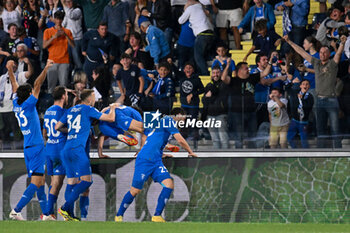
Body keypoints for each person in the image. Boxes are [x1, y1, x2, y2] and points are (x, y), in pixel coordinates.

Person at [115, 107, 197, 223]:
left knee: (169, 184)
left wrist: (162, 152)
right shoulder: (168, 120)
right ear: (177, 115)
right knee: (135, 190)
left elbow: (153, 140)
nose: (183, 122)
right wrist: (190, 151)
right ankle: (119, 215)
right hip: (145, 160)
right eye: (182, 119)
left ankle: (157, 216)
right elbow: (181, 140)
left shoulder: (162, 123)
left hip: (156, 160)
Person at [55, 89, 117, 221]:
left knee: (71, 182)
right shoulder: (88, 109)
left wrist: (71, 131)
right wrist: (113, 107)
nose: (94, 100)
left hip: (66, 150)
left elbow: (57, 127)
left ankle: (69, 216)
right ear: (89, 99)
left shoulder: (70, 110)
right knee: (87, 181)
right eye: (93, 97)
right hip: (78, 150)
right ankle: (65, 208)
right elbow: (111, 118)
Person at [8, 59, 54, 220]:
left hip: (28, 148)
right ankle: (17, 210)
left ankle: (46, 214)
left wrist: (10, 70)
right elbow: (37, 85)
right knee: (36, 182)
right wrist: (46, 68)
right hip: (36, 147)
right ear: (28, 96)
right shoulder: (28, 105)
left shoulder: (16, 104)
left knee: (40, 181)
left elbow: (14, 85)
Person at [284, 34, 346, 148]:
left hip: (331, 100)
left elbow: (338, 54)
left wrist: (342, 43)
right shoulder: (316, 63)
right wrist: (289, 42)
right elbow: (302, 52)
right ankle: (320, 152)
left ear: (328, 54)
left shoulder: (332, 64)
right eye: (321, 52)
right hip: (319, 99)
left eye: (325, 52)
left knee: (335, 128)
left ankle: (338, 152)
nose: (322, 54)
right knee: (320, 128)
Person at [221, 58, 286, 148]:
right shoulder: (233, 80)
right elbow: (223, 78)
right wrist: (227, 65)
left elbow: (265, 73)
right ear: (239, 70)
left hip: (251, 112)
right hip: (237, 113)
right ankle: (238, 158)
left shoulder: (252, 78)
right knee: (239, 137)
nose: (248, 70)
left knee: (252, 136)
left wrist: (270, 62)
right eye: (246, 68)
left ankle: (252, 156)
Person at [43, 86, 68, 220]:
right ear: (63, 96)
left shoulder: (47, 111)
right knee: (60, 182)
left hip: (49, 148)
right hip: (60, 148)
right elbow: (61, 127)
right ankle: (50, 212)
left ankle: (49, 213)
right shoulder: (63, 111)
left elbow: (45, 132)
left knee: (54, 182)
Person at [0, 57, 32, 147]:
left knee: (16, 132)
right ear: (6, 66)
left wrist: (29, 64)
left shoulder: (20, 75)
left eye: (14, 64)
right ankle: (6, 152)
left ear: (17, 66)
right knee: (4, 133)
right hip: (2, 109)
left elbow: (30, 73)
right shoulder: (2, 78)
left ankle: (19, 150)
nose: (13, 66)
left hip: (14, 109)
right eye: (10, 64)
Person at [178, 0, 215, 75]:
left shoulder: (191, 8)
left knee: (198, 57)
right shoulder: (202, 8)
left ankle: (205, 74)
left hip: (202, 34)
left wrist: (185, 11)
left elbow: (180, 21)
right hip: (211, 34)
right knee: (203, 54)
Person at [43, 10, 75, 94]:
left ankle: (63, 104)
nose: (59, 21)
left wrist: (66, 35)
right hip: (52, 61)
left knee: (63, 86)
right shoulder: (48, 31)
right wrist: (54, 37)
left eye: (60, 19)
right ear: (54, 19)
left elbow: (73, 45)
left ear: (63, 19)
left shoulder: (67, 31)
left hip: (64, 61)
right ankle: (50, 104)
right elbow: (44, 45)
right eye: (57, 19)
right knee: (51, 86)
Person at [202, 66, 229, 149]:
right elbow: (204, 100)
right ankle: (218, 159)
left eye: (217, 73)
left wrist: (210, 96)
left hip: (221, 114)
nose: (215, 75)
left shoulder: (225, 84)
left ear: (221, 73)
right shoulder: (208, 85)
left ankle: (226, 159)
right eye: (213, 73)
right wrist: (207, 97)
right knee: (215, 139)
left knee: (223, 138)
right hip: (210, 115)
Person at [286, 79, 314, 148]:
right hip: (294, 120)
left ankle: (306, 155)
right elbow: (287, 88)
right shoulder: (295, 93)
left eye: (307, 84)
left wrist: (302, 99)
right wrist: (292, 82)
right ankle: (295, 151)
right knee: (289, 137)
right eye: (303, 84)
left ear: (309, 86)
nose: (305, 85)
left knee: (304, 140)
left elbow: (308, 107)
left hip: (303, 122)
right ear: (300, 86)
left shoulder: (310, 97)